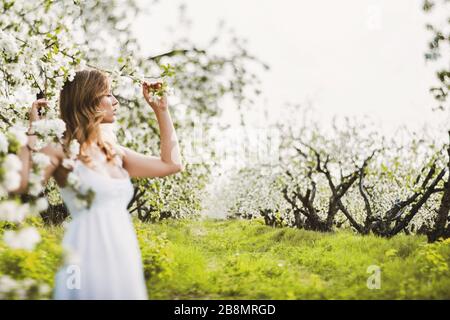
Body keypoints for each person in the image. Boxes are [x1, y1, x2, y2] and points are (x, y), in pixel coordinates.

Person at [13, 69, 184, 299]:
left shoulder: (114, 152)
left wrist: (161, 110)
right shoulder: (60, 150)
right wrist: (34, 132)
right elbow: (22, 184)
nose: (115, 101)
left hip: (123, 251)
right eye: (108, 94)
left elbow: (171, 164)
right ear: (88, 100)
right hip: (84, 255)